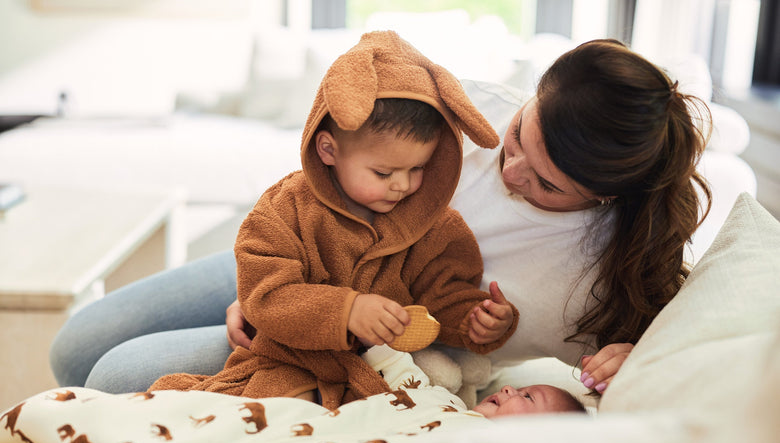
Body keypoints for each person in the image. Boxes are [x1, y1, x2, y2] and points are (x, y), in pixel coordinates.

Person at [49, 38, 712, 398]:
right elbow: (345, 133)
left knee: (112, 377)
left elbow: (679, 349)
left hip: (355, 339)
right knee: (74, 344)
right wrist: (266, 288)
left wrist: (631, 354)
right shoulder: (464, 113)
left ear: (605, 198)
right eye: (516, 138)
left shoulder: (608, 274)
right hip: (295, 264)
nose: (508, 172)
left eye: (547, 184)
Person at [146, 31, 518, 410]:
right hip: (283, 357)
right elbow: (265, 294)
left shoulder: (438, 228)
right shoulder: (284, 208)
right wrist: (346, 311)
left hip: (367, 373)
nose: (403, 185)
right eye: (383, 172)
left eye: (418, 167)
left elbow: (442, 297)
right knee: (258, 406)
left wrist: (475, 320)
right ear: (328, 150)